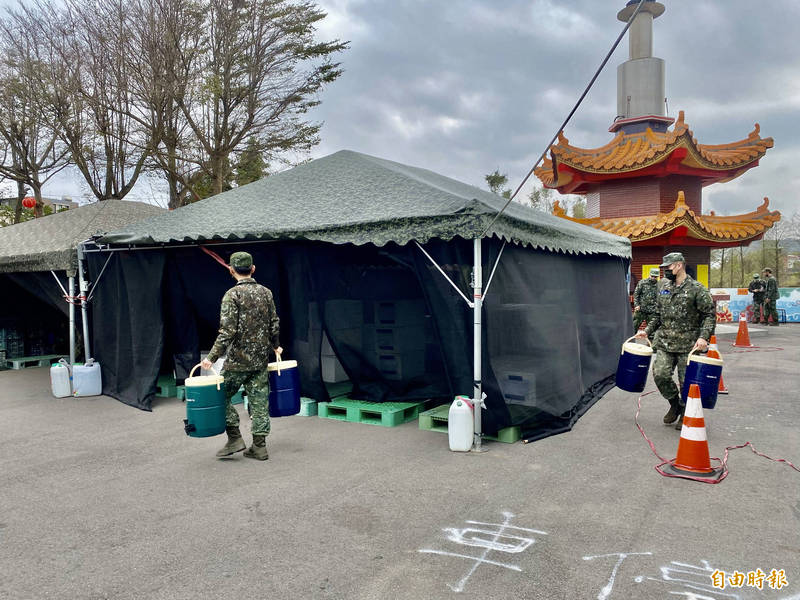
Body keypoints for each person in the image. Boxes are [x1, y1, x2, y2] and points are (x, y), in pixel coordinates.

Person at [201, 252, 282, 460]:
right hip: (260, 359)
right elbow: (274, 323)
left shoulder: (231, 295)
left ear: (231, 270)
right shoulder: (266, 293)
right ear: (253, 269)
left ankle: (235, 438)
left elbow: (227, 331)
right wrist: (276, 346)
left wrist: (211, 357)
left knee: (221, 396)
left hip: (237, 361)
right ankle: (259, 446)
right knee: (259, 401)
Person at [635, 252, 715, 430]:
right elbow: (658, 313)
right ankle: (675, 403)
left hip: (688, 344)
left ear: (679, 265)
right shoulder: (663, 285)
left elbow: (709, 315)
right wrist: (646, 331)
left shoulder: (697, 289)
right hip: (664, 341)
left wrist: (703, 337)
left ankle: (685, 410)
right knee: (660, 374)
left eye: (668, 267)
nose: (665, 271)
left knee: (687, 382)